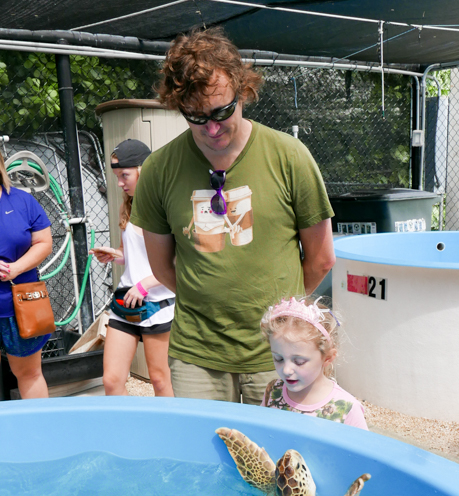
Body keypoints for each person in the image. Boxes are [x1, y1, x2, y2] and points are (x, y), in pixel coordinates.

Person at [131, 27, 336, 405]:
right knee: (206, 458)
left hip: (277, 353)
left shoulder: (289, 156)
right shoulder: (159, 169)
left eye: (221, 111)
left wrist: (280, 317)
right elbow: (162, 269)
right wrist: (212, 302)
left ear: (243, 90)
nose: (211, 128)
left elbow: (322, 258)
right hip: (198, 355)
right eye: (195, 116)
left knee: (280, 456)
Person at [90, 139, 175, 396]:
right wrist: (114, 255)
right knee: (111, 380)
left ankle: (167, 434)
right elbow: (134, 254)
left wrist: (145, 284)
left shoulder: (166, 206)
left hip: (158, 304)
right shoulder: (128, 204)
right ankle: (125, 434)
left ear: (143, 169)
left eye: (124, 175)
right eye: (116, 176)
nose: (119, 183)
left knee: (160, 380)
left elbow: (177, 261)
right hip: (126, 302)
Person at [260, 296, 368, 429]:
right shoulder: (273, 392)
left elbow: (359, 449)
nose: (286, 370)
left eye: (299, 361)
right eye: (278, 359)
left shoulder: (346, 409)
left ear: (327, 357)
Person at [0, 151, 53, 398]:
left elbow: (44, 242)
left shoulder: (22, 201)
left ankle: (41, 432)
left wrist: (15, 268)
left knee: (29, 373)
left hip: (21, 304)